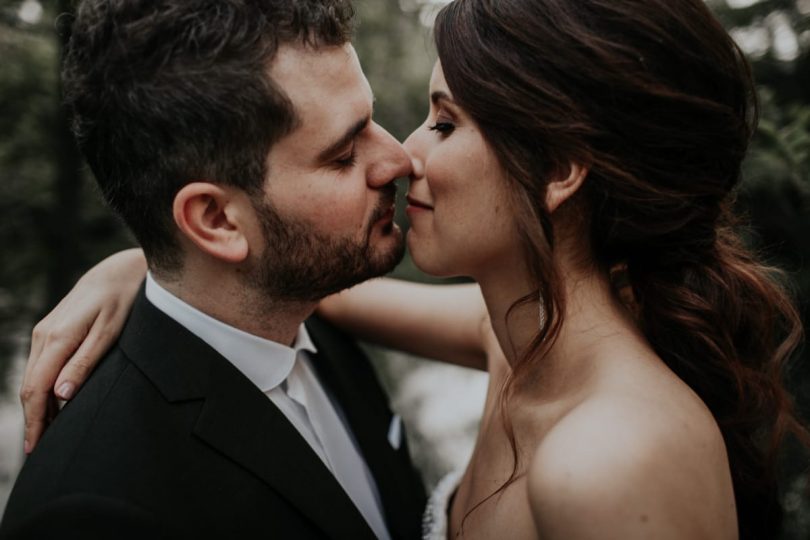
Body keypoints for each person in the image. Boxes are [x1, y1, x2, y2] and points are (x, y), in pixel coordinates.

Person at [15, 0, 810, 539]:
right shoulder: (521, 338)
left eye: (444, 121)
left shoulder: (612, 458)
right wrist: (149, 270)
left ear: (561, 168)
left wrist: (182, 258)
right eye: (433, 116)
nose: (403, 155)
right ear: (216, 221)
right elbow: (279, 294)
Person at [0, 1, 427, 539]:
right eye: (343, 154)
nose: (398, 160)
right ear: (217, 220)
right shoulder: (93, 509)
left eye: (372, 119)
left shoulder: (309, 306)